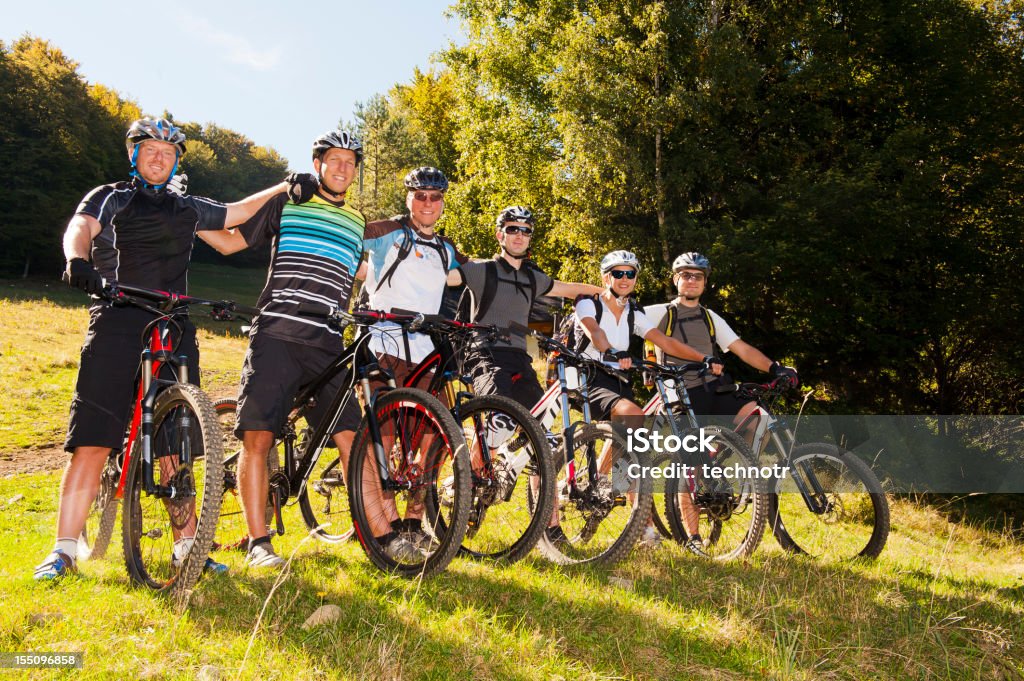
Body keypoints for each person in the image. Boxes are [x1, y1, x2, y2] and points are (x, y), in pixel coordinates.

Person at [34, 117, 293, 581]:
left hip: (173, 324)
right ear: (134, 154)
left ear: (176, 161)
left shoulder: (186, 206)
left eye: (168, 152)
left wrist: (283, 188)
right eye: (150, 149)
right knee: (93, 438)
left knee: (176, 440)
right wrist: (77, 260)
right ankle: (64, 550)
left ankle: (187, 547)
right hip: (117, 316)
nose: (159, 157)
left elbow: (234, 214)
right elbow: (80, 226)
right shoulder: (110, 196)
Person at [228, 130, 411, 568]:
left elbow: (361, 273)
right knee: (258, 438)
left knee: (354, 438)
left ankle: (380, 538)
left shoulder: (355, 221)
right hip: (277, 332)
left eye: (350, 161)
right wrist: (278, 187)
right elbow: (233, 233)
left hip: (328, 342)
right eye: (334, 159)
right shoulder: (289, 200)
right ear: (318, 164)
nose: (343, 167)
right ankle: (259, 542)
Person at [559, 249, 723, 548]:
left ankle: (644, 528)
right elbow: (593, 332)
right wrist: (612, 351)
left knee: (637, 449)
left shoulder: (635, 311)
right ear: (605, 277)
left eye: (630, 273)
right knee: (633, 415)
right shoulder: (588, 303)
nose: (624, 279)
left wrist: (704, 358)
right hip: (585, 376)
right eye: (618, 273)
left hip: (617, 379)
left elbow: (665, 341)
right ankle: (604, 480)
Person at [643, 251, 797, 552]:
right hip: (680, 393)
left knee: (759, 417)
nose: (691, 280)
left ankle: (727, 462)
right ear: (676, 279)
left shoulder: (711, 318)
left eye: (697, 276)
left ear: (705, 283)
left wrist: (775, 368)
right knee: (692, 459)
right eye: (685, 275)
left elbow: (741, 348)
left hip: (715, 389)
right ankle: (694, 537)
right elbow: (623, 318)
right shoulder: (659, 312)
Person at [446, 206, 602, 410]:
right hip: (487, 353)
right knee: (498, 421)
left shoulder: (532, 278)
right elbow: (441, 279)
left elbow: (569, 289)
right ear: (499, 235)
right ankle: (482, 440)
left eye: (525, 230)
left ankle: (511, 442)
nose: (519, 235)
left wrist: (612, 295)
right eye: (512, 229)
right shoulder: (480, 269)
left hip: (521, 358)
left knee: (540, 421)